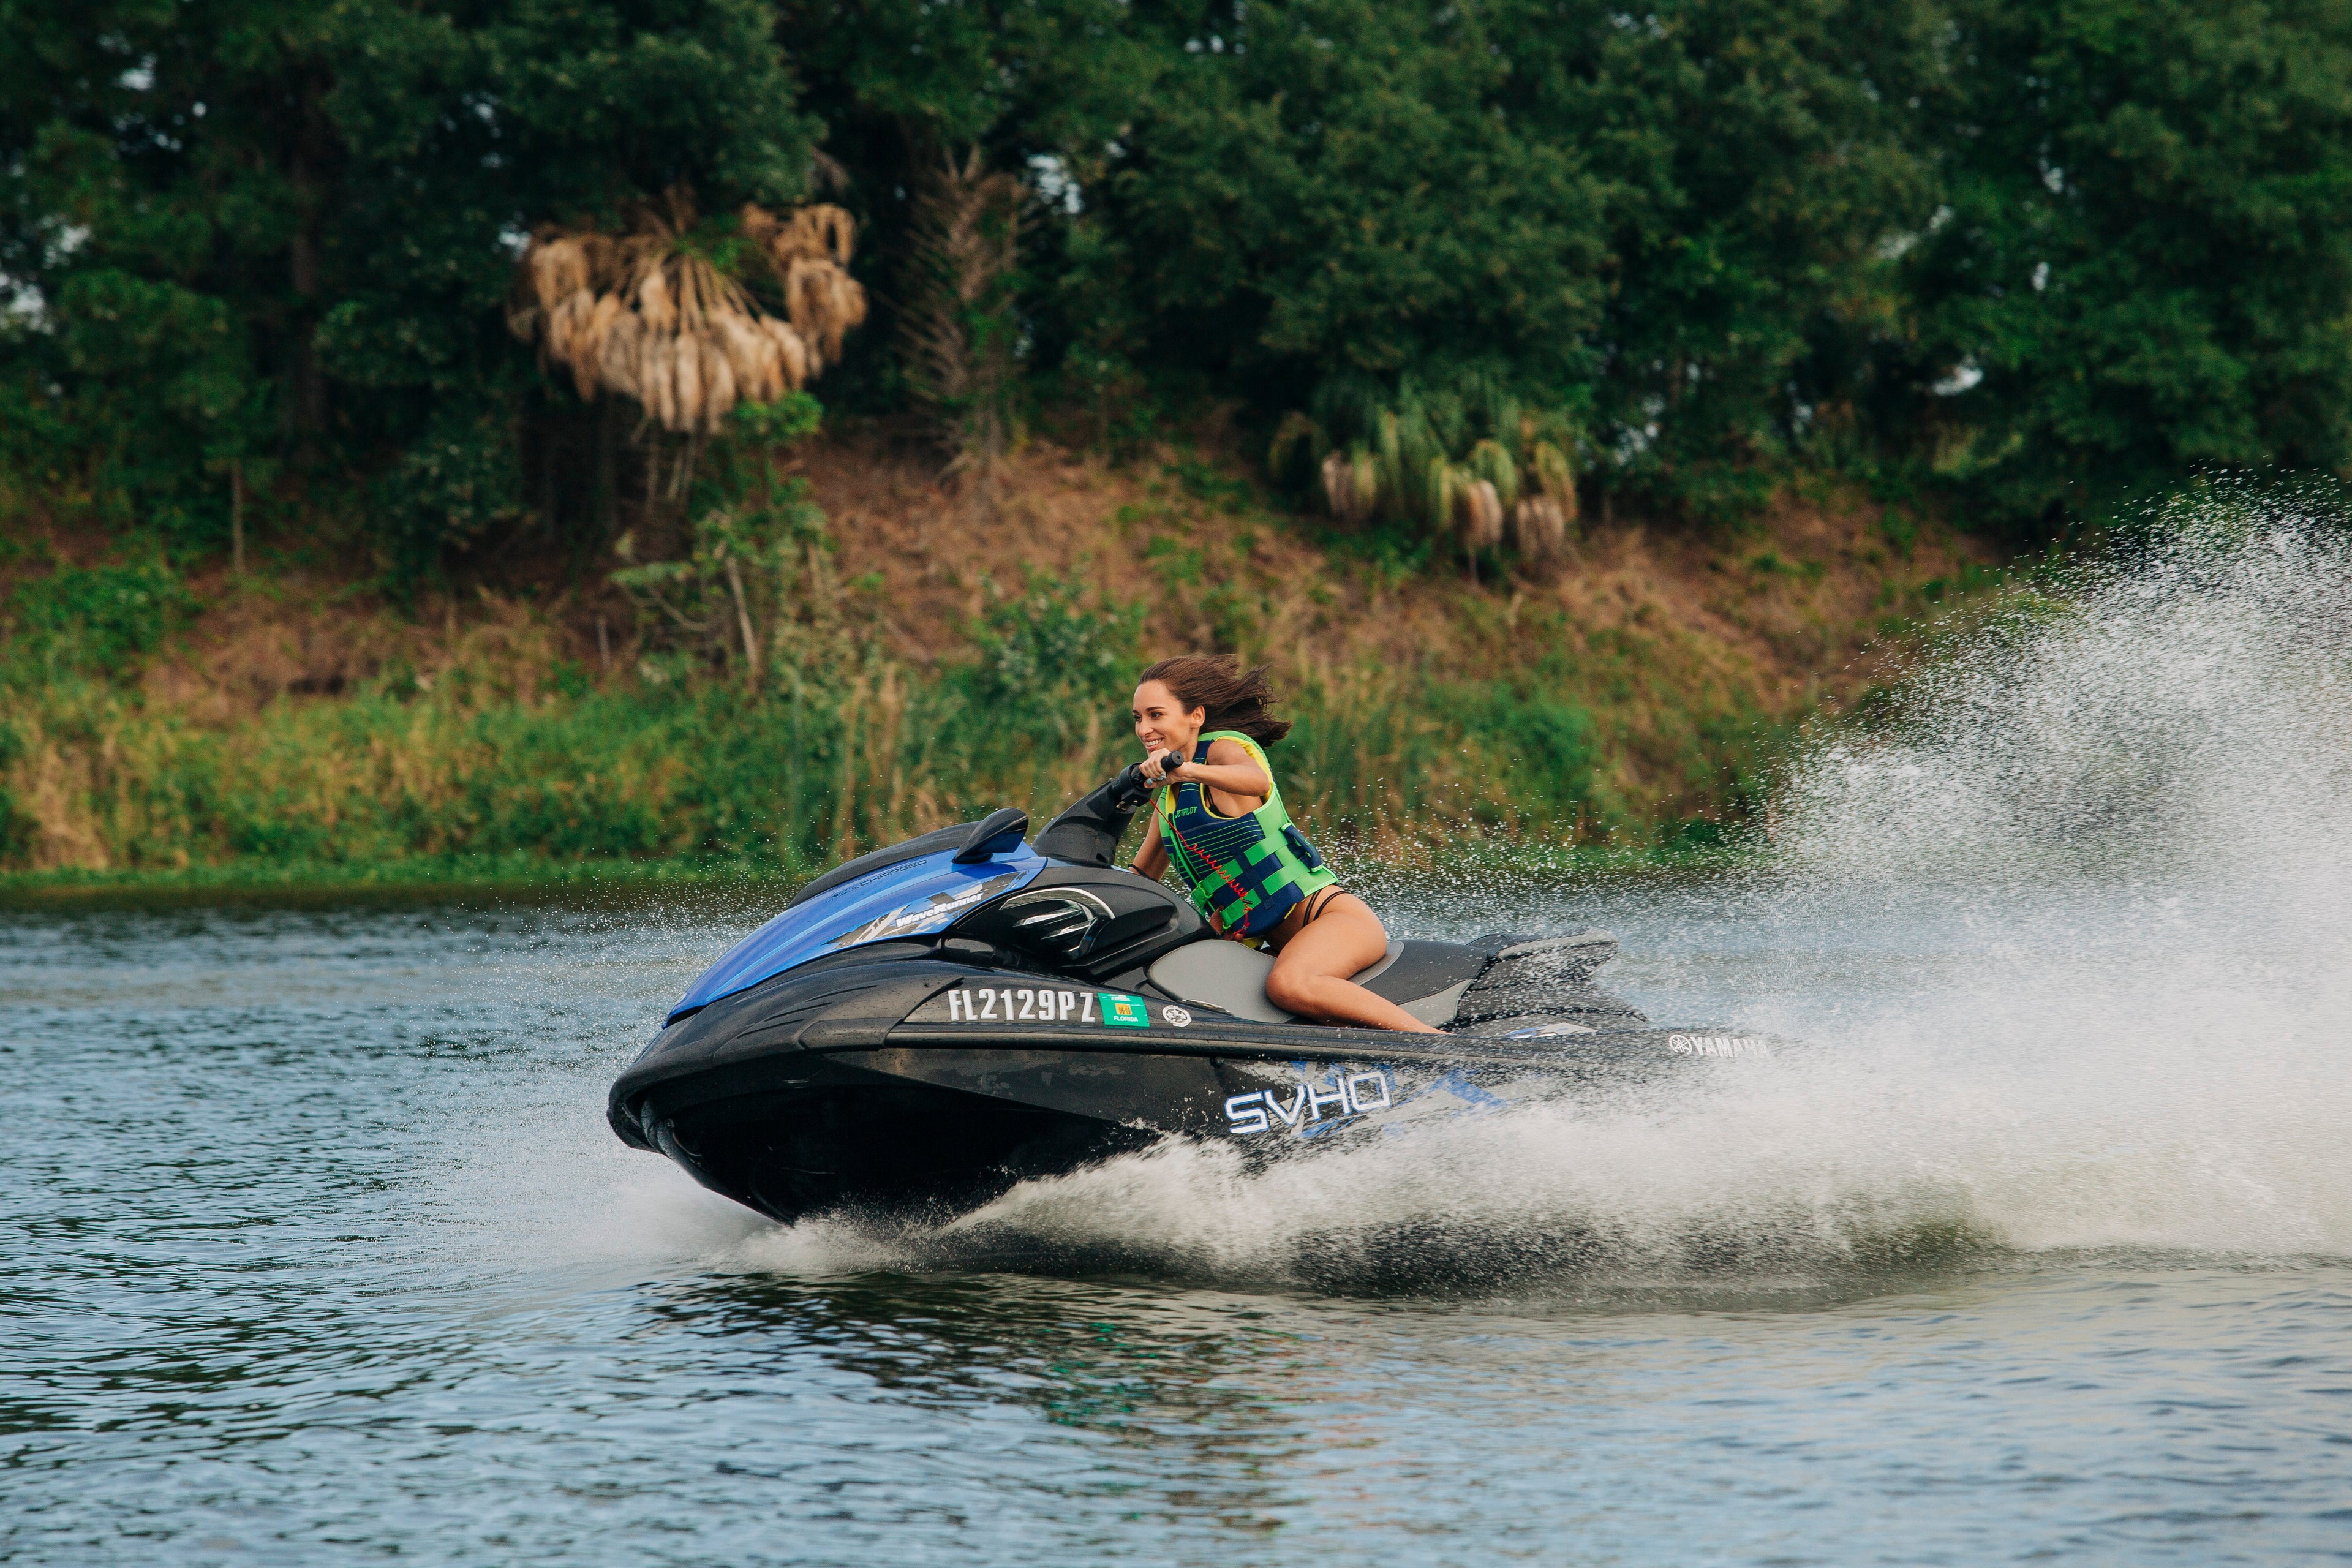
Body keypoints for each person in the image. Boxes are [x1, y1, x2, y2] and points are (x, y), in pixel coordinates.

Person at [1125, 655, 1441, 1035]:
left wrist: (1187, 769)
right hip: (1269, 942)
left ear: (1196, 716)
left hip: (1332, 920)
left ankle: (1436, 1044)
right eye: (1138, 718)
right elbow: (1138, 881)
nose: (1144, 729)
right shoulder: (1169, 804)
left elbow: (1256, 781)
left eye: (1156, 715)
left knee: (1289, 985)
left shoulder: (1221, 751)